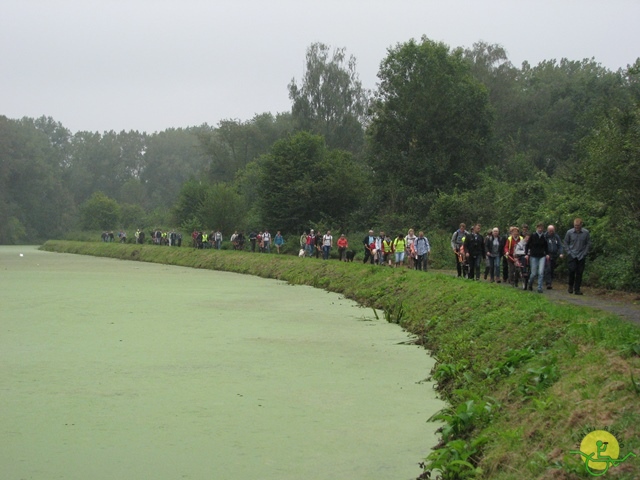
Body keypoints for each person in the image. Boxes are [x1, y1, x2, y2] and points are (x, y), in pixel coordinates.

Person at [564, 218, 591, 295]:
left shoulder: (586, 233)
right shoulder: (569, 232)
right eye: (575, 226)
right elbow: (565, 243)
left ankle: (577, 289)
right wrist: (569, 252)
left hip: (581, 255)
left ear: (581, 225)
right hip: (572, 255)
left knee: (579, 273)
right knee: (571, 271)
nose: (577, 227)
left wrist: (585, 253)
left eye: (578, 226)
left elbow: (588, 243)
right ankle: (570, 286)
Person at [525, 223, 549, 293]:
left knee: (541, 272)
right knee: (533, 273)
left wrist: (547, 254)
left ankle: (539, 287)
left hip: (542, 256)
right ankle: (530, 283)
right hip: (533, 256)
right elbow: (527, 245)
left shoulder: (544, 237)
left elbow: (546, 246)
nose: (540, 229)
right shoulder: (533, 236)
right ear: (537, 228)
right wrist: (526, 254)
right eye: (539, 228)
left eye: (541, 228)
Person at [544, 225, 563, 289]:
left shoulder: (556, 237)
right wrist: (545, 253)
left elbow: (560, 245)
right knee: (548, 268)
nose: (551, 232)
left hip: (554, 255)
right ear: (547, 230)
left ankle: (550, 280)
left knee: (552, 269)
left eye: (552, 231)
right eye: (550, 231)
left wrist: (561, 253)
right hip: (547, 255)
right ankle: (548, 283)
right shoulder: (545, 236)